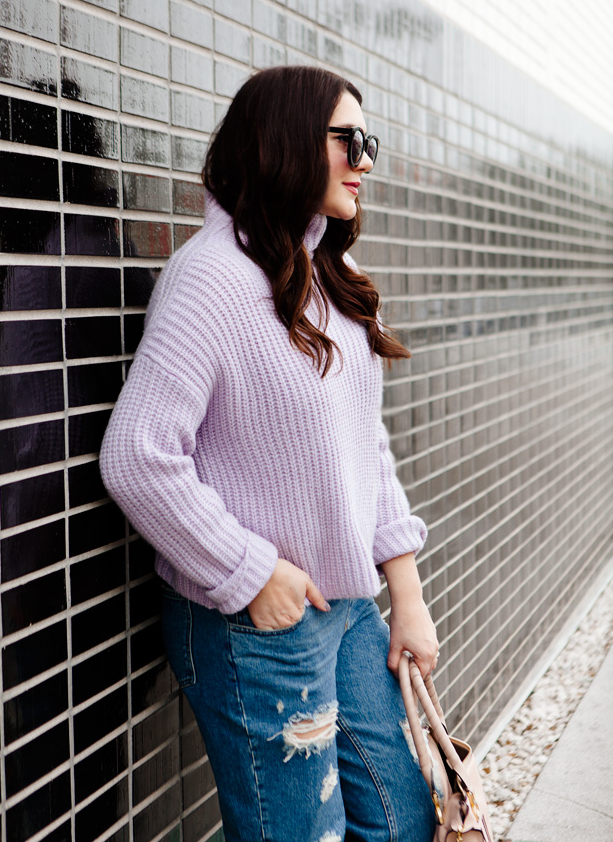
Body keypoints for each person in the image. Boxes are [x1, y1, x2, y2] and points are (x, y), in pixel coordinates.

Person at [100, 65, 439, 842]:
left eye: (370, 143)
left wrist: (407, 598)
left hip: (349, 609)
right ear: (286, 141)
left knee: (402, 820)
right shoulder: (210, 279)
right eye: (347, 140)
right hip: (256, 625)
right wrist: (252, 572)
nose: (364, 160)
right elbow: (137, 455)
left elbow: (367, 448)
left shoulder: (334, 276)